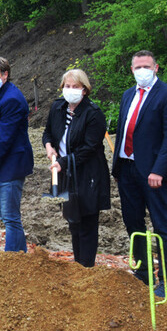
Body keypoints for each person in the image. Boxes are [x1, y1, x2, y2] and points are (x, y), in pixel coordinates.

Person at [112, 50, 167, 296]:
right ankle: (143, 275)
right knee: (134, 224)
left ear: (156, 67)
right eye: (137, 67)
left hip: (155, 174)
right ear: (131, 70)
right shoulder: (127, 95)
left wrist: (158, 170)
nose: (141, 70)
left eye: (146, 66)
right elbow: (123, 131)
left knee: (162, 226)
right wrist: (118, 168)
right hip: (127, 169)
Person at [43, 69, 111, 267]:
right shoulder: (57, 108)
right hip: (66, 173)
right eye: (67, 86)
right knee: (73, 220)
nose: (70, 90)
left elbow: (89, 148)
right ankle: (77, 265)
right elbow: (48, 133)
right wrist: (48, 146)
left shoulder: (94, 113)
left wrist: (62, 163)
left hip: (88, 173)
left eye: (75, 87)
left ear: (85, 89)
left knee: (87, 222)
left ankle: (86, 267)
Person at [0, 55, 33, 252]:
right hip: (3, 162)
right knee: (5, 213)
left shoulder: (11, 99)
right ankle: (19, 255)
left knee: (10, 216)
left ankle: (12, 257)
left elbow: (5, 140)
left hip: (12, 163)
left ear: (5, 74)